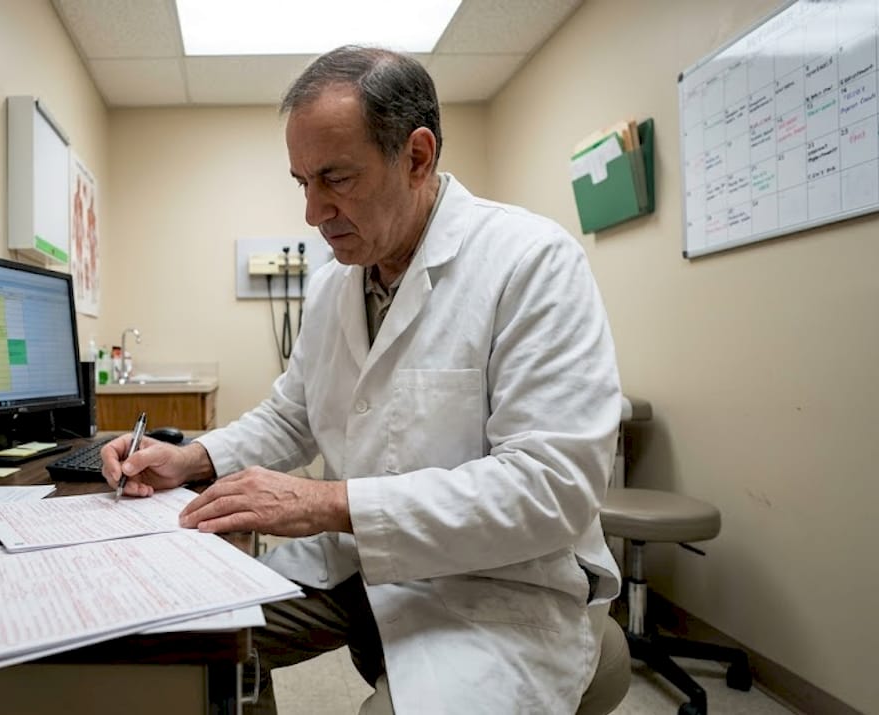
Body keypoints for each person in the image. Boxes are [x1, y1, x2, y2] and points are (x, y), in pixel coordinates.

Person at [100, 46, 623, 714]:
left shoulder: (531, 262)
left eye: (335, 178)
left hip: (492, 584)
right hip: (356, 564)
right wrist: (190, 457)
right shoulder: (332, 289)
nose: (313, 212)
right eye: (302, 183)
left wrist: (325, 503)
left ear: (417, 156)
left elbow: (552, 490)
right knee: (195, 631)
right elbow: (293, 414)